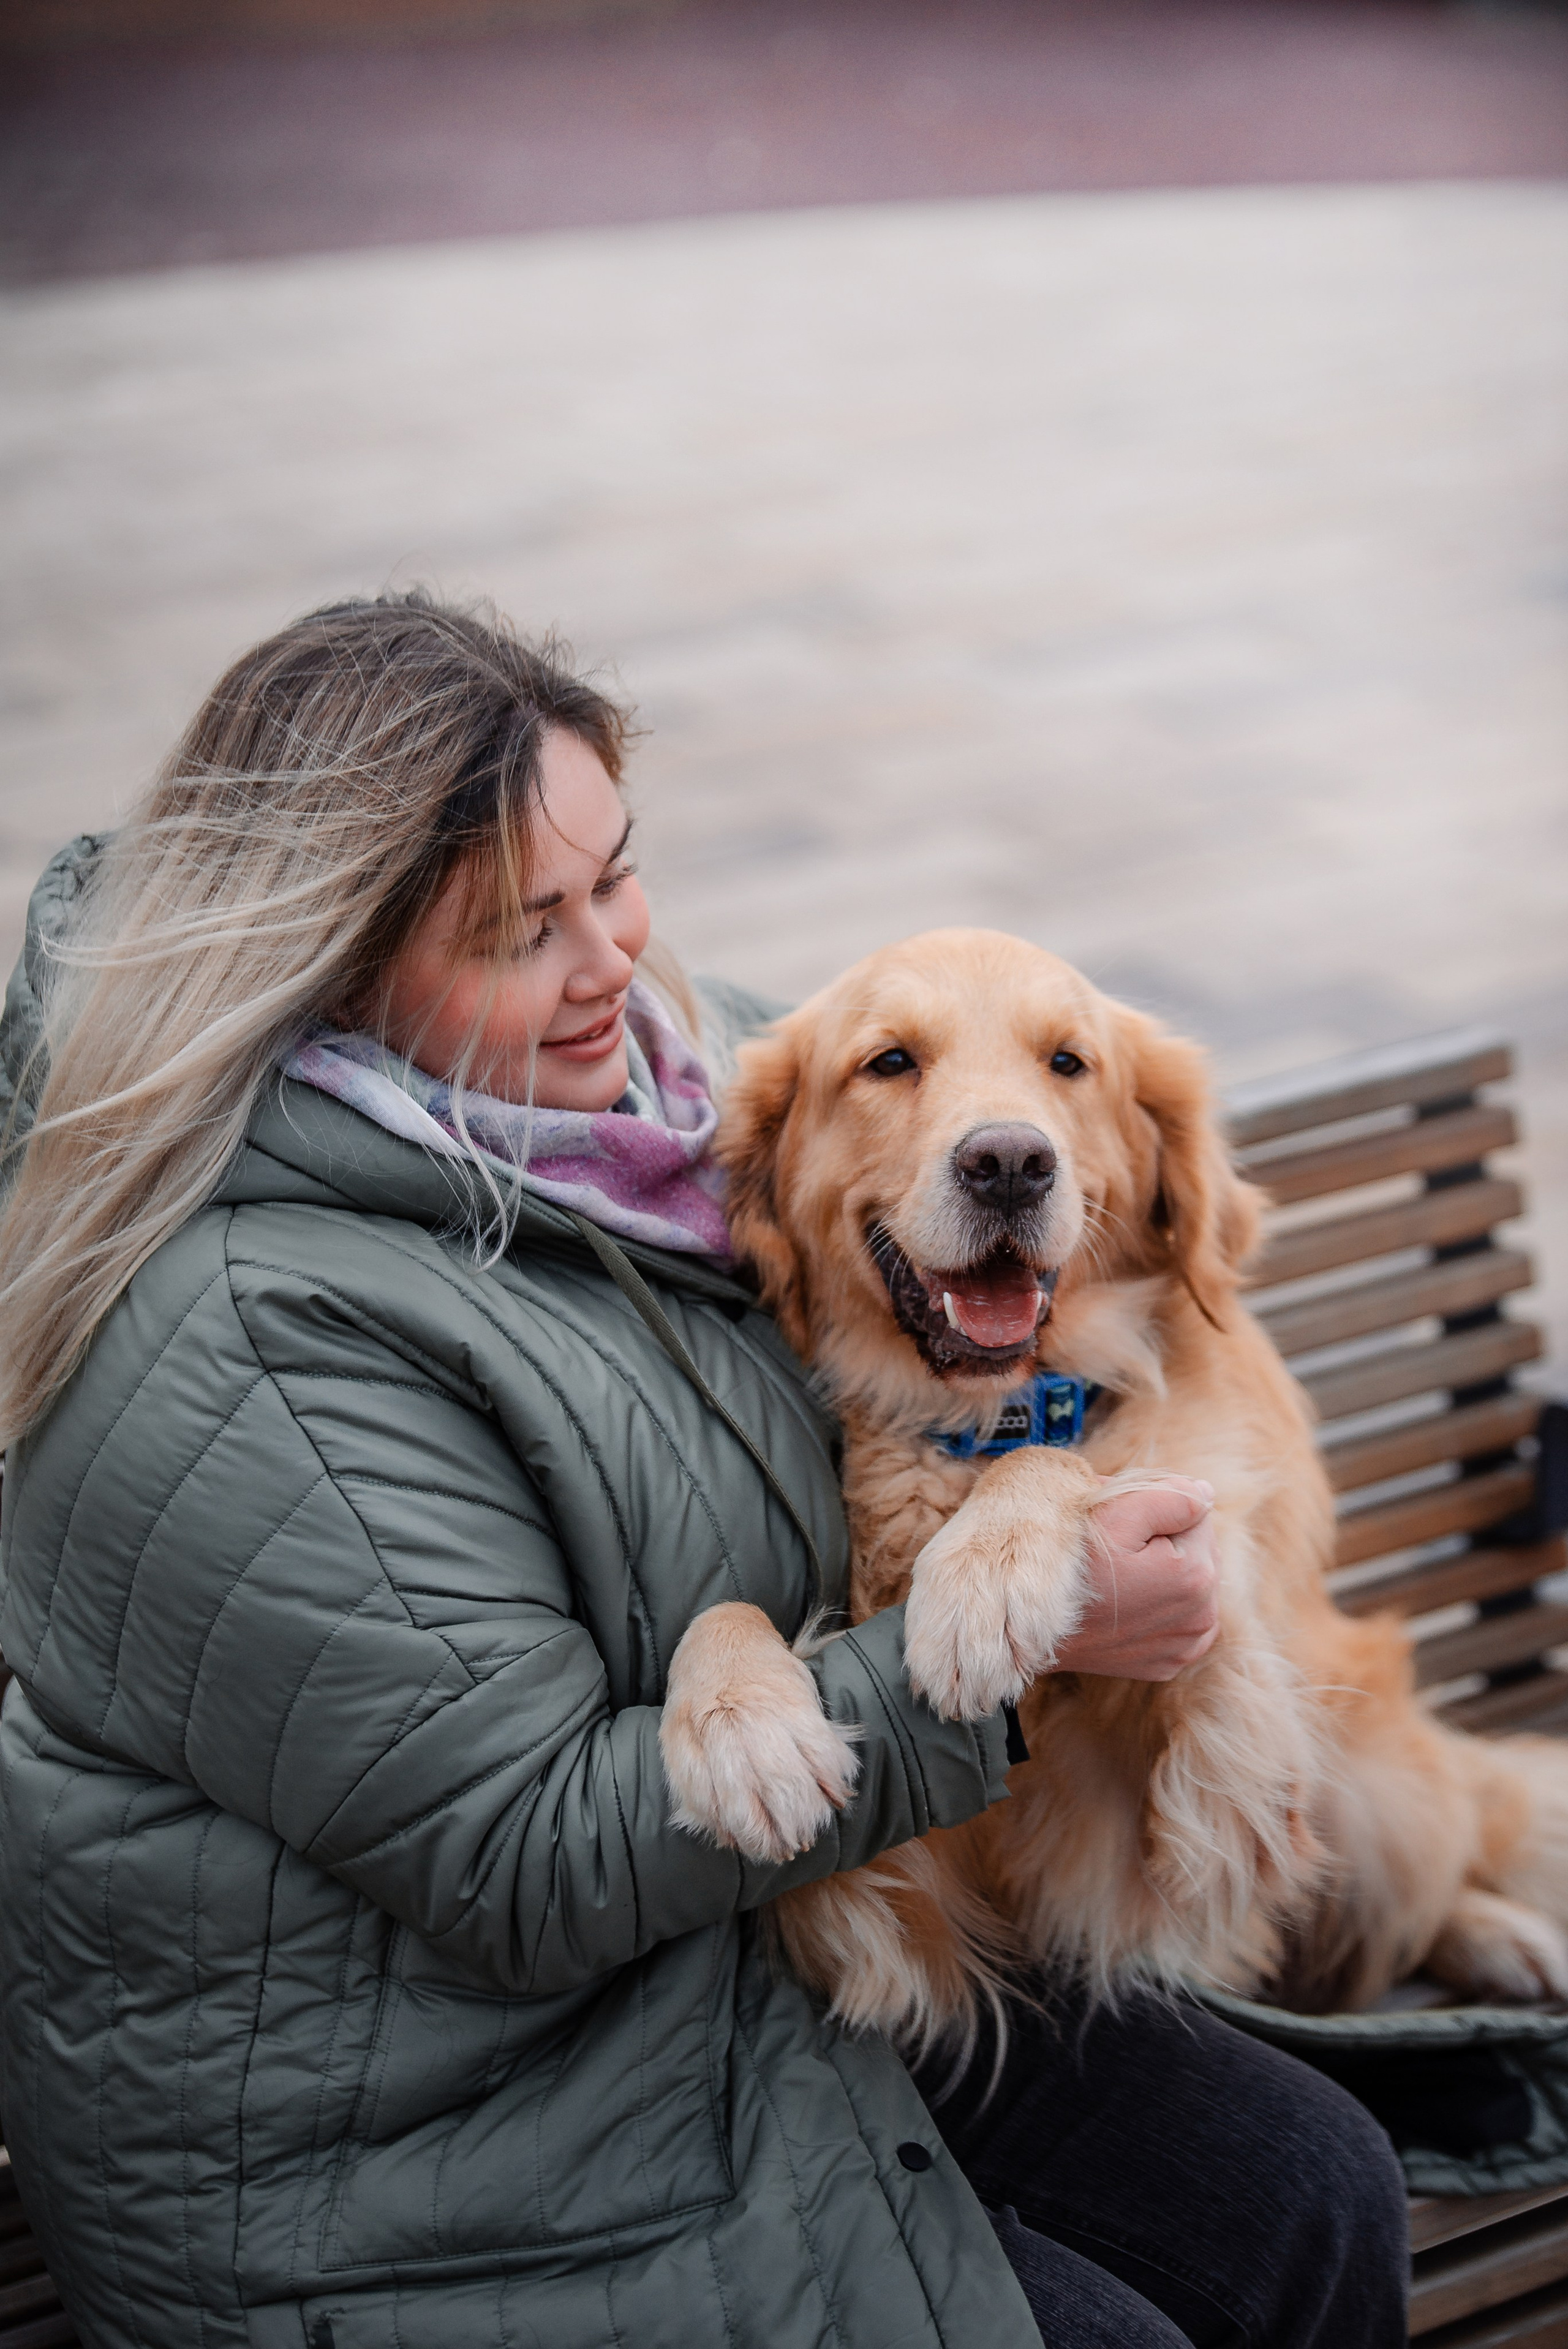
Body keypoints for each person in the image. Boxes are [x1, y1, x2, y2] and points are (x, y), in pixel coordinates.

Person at [0, 592, 1408, 2349]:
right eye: (529, 926)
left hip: (727, 1960)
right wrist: (1002, 1661)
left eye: (619, 874)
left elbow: (1061, 1309)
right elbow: (521, 1854)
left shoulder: (651, 1111)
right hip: (430, 2158)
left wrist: (1090, 1503)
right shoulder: (246, 1337)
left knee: (1314, 2190)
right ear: (341, 968)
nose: (614, 958)